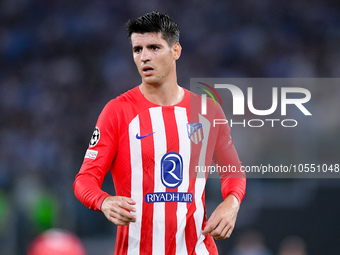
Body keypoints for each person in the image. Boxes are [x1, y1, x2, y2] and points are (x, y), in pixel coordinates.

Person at [73, 11, 246, 255]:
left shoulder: (206, 111)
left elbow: (233, 171)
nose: (144, 57)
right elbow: (84, 180)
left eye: (154, 47)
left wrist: (231, 203)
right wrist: (104, 201)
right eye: (137, 49)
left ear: (176, 51)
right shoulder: (117, 112)